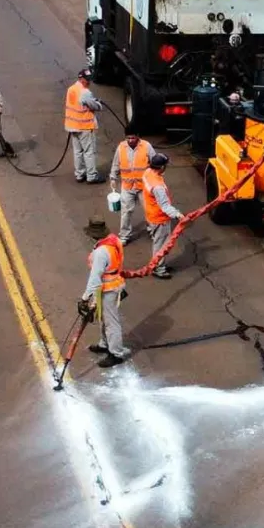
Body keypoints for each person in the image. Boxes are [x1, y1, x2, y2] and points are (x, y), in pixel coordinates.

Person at [78, 219, 129, 368]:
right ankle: (105, 343)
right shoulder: (114, 240)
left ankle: (116, 353)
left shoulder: (101, 253)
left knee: (111, 322)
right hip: (113, 283)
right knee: (103, 318)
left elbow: (95, 278)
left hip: (108, 288)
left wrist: (85, 298)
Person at [109, 125, 155, 245]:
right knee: (126, 212)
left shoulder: (146, 146)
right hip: (127, 186)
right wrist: (113, 177)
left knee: (149, 210)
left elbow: (155, 163)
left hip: (144, 186)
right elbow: (116, 163)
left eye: (133, 138)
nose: (130, 141)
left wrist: (155, 180)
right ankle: (124, 235)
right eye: (128, 138)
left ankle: (153, 231)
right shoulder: (121, 147)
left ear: (138, 137)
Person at [141, 153, 184, 280]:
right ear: (161, 167)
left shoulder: (148, 172)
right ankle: (158, 268)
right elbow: (165, 206)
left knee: (158, 242)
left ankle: (159, 265)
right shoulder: (158, 186)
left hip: (151, 214)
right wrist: (178, 215)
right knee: (161, 245)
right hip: (160, 219)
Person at [65, 69, 104, 183]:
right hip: (84, 126)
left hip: (72, 125)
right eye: (87, 80)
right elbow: (94, 106)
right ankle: (91, 176)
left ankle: (79, 174)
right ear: (81, 79)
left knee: (78, 151)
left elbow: (80, 103)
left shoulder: (72, 89)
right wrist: (99, 104)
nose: (89, 82)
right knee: (89, 151)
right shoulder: (85, 92)